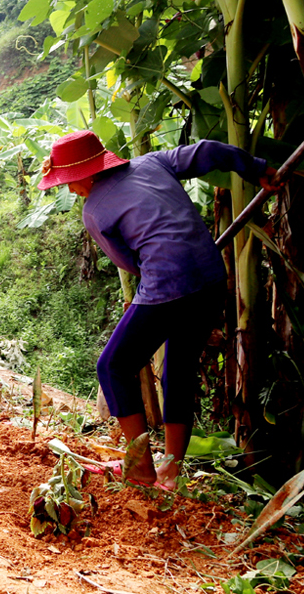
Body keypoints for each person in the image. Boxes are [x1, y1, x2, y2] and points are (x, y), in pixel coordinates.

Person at [38, 131, 277, 490]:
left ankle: (140, 468)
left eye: (70, 181)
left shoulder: (94, 211)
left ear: (88, 173)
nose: (70, 190)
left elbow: (128, 263)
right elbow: (208, 151)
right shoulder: (154, 163)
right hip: (212, 278)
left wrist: (162, 269)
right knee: (179, 368)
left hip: (167, 284)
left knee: (114, 366)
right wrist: (257, 169)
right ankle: (171, 469)